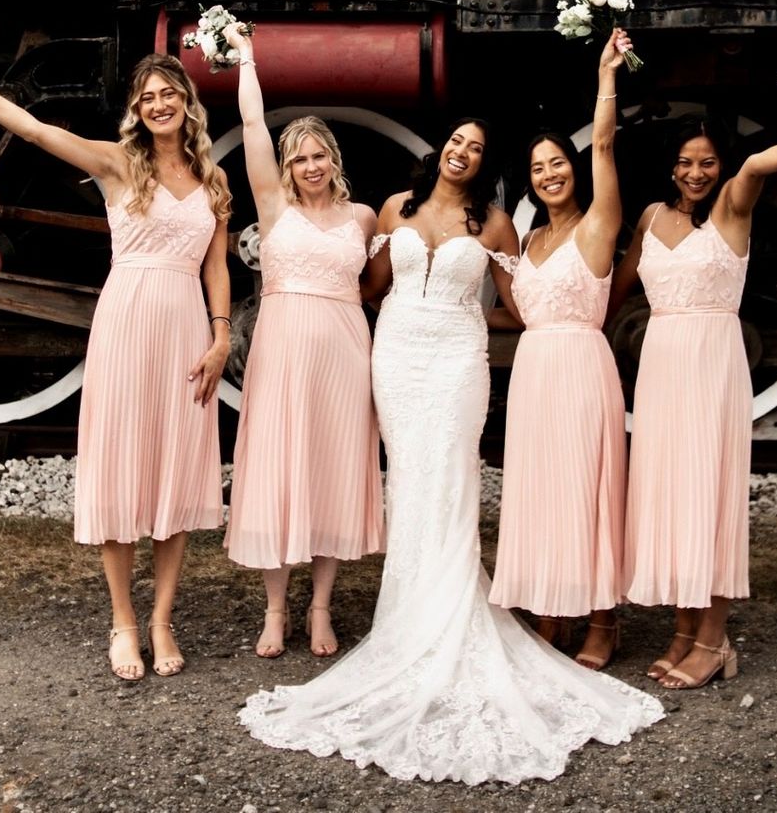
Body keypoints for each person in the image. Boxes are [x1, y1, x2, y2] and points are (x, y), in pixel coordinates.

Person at [238, 116, 663, 784]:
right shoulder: (394, 210)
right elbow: (368, 287)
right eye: (457, 142)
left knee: (454, 480)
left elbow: (526, 307)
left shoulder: (495, 226)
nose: (463, 153)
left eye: (477, 148)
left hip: (459, 361)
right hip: (398, 357)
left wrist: (467, 311)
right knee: (410, 482)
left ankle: (454, 617)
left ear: (484, 164)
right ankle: (407, 621)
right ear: (442, 151)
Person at [0, 47, 232, 681]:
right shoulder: (118, 162)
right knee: (121, 470)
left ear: (186, 101)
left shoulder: (212, 178)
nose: (159, 105)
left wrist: (222, 336)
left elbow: (217, 268)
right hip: (126, 325)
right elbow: (35, 130)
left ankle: (162, 620)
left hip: (186, 332)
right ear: (137, 111)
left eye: (168, 93)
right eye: (147, 98)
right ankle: (123, 622)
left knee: (174, 470)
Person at [608, 104, 777, 689]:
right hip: (661, 369)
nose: (696, 173)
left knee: (708, 498)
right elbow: (617, 284)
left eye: (707, 162)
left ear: (721, 166)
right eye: (686, 162)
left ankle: (713, 641)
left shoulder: (733, 207)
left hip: (712, 368)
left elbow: (758, 165)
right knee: (671, 496)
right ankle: (683, 631)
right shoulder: (650, 217)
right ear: (671, 167)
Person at [220, 23, 383, 659]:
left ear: (333, 160)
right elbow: (252, 125)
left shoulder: (362, 218)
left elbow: (377, 285)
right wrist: (247, 59)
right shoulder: (274, 208)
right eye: (299, 158)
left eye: (319, 156)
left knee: (331, 468)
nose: (310, 166)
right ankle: (274, 609)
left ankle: (319, 607)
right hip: (283, 350)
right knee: (279, 467)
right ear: (287, 168)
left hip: (343, 351)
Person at [489, 30, 630, 670]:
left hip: (580, 370)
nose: (549, 174)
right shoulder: (529, 240)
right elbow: (522, 310)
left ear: (575, 166)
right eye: (538, 168)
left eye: (558, 163)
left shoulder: (599, 223)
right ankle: (551, 606)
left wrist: (606, 75)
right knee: (542, 489)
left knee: (585, 489)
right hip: (535, 373)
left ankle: (602, 619)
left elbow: (603, 142)